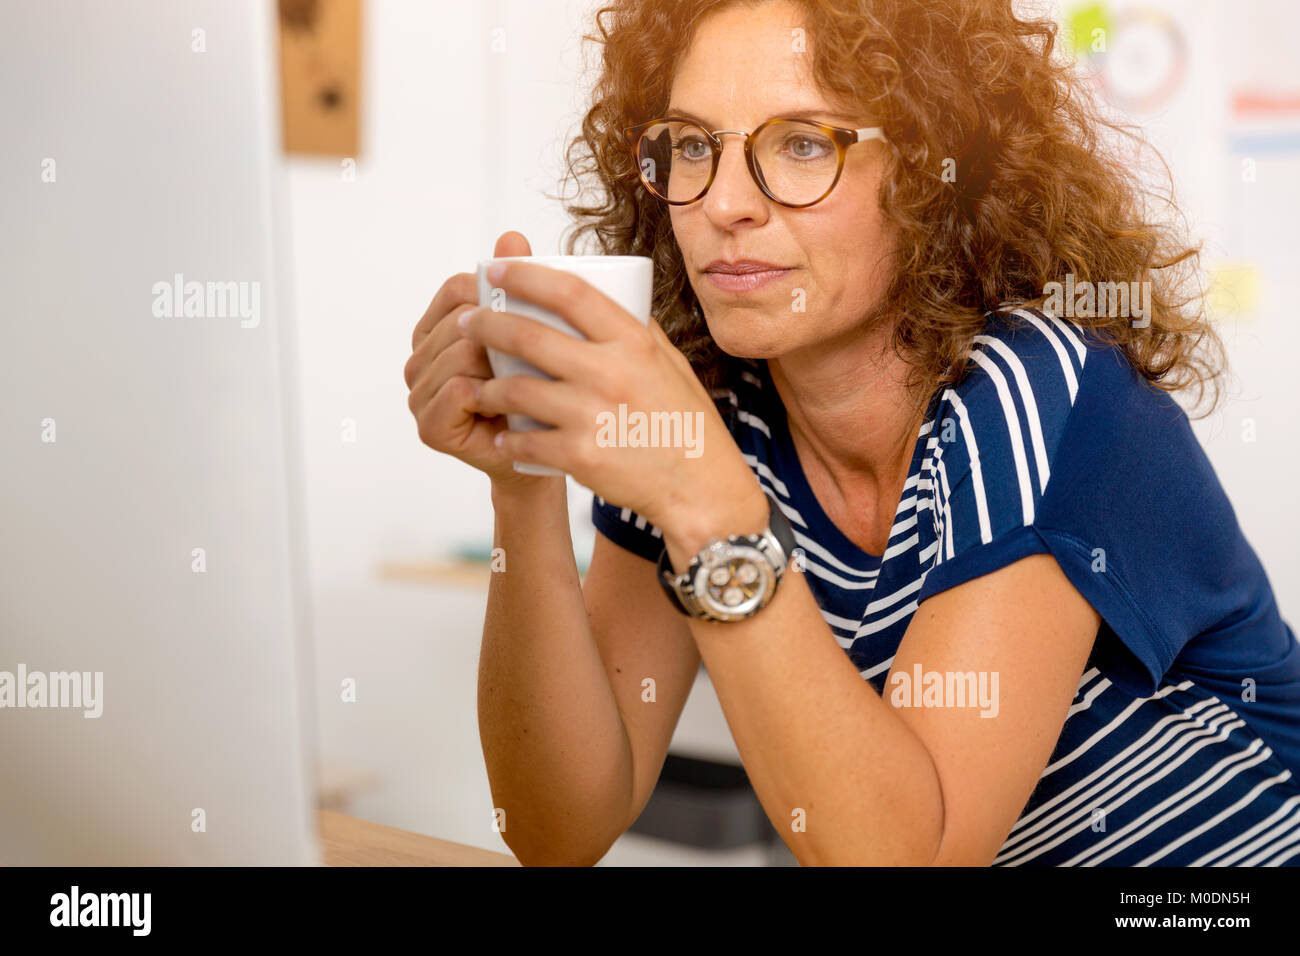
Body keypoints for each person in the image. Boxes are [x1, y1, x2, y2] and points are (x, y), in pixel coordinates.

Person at [403, 0, 1300, 865]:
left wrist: (708, 505)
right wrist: (523, 483)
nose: (723, 205)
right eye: (690, 148)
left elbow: (914, 856)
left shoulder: (1038, 391)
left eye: (800, 145)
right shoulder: (709, 409)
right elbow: (558, 831)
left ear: (927, 173)